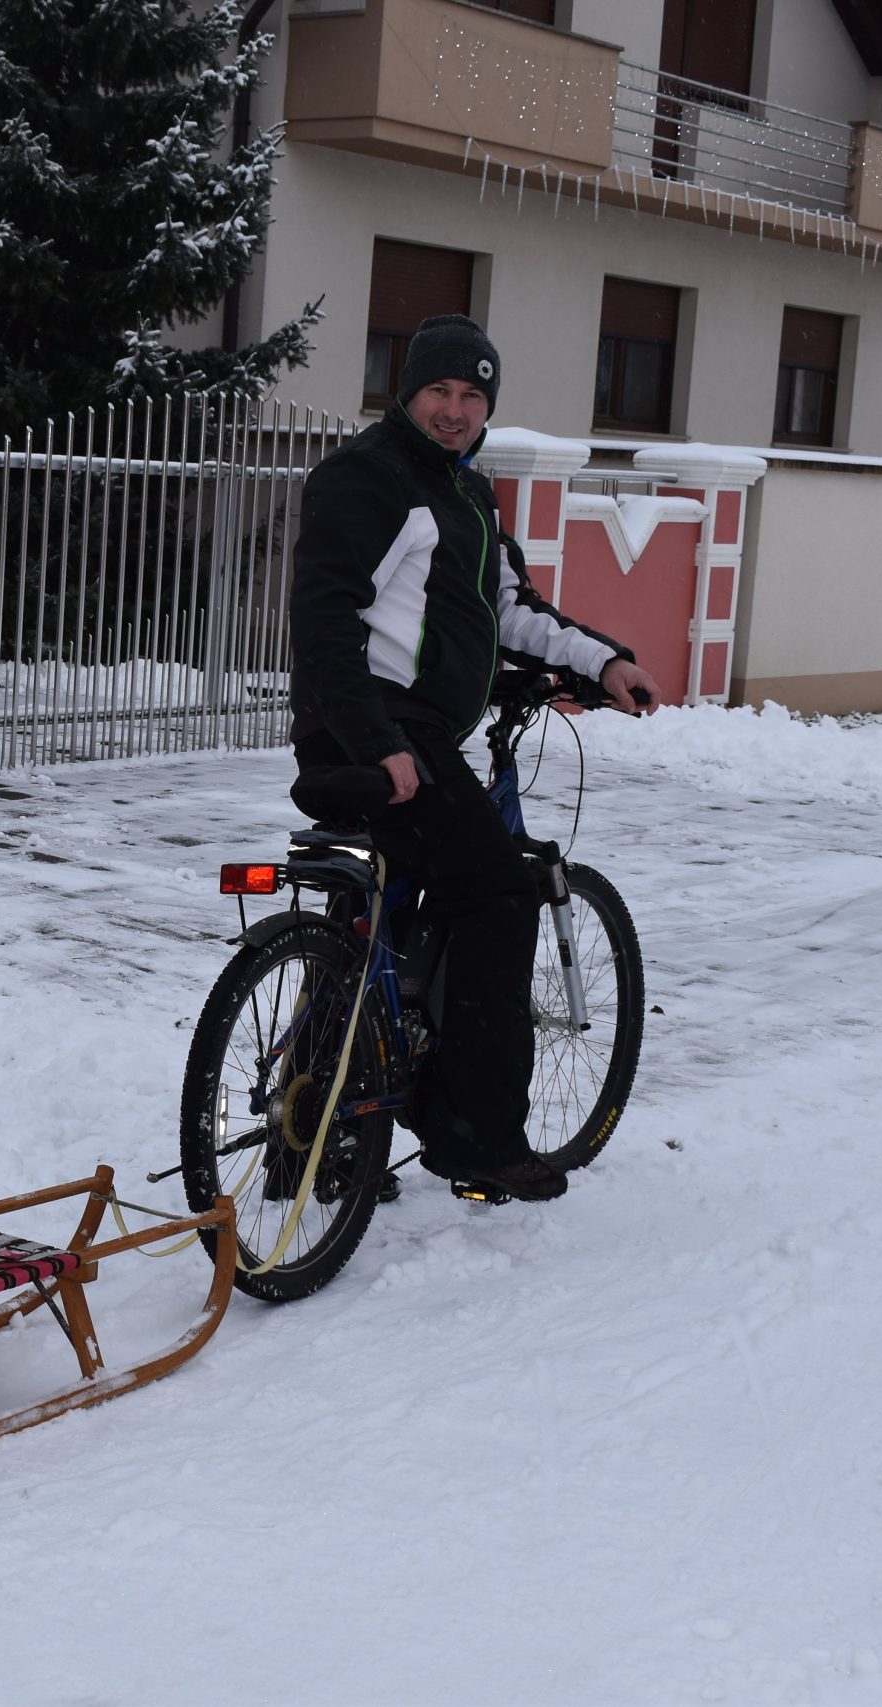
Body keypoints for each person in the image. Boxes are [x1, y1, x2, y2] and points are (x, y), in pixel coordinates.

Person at [289, 314, 662, 1206]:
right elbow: (324, 623)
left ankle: (335, 1115)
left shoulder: (467, 495)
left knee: (404, 899)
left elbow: (511, 609)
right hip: (374, 726)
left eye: (471, 395)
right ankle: (476, 1138)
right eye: (439, 391)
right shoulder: (365, 481)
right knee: (500, 891)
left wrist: (602, 662)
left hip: (412, 730)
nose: (454, 410)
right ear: (405, 393)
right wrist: (380, 739)